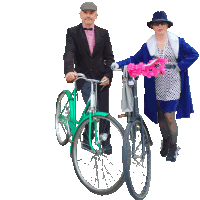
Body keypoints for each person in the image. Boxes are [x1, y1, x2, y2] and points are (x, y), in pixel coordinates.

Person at [112, 11, 199, 162]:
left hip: (173, 83)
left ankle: (173, 146)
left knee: (169, 115)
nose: (160, 26)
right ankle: (165, 142)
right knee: (161, 117)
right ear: (152, 26)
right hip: (156, 85)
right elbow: (134, 58)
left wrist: (179, 66)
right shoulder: (148, 45)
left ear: (167, 25)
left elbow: (193, 54)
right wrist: (118, 64)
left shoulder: (177, 41)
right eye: (156, 24)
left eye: (162, 23)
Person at [63, 2, 114, 154]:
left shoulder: (104, 33)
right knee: (91, 107)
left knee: (104, 109)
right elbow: (69, 53)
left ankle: (105, 142)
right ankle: (87, 139)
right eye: (85, 12)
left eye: (91, 12)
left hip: (101, 77)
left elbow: (110, 58)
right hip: (82, 76)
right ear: (81, 14)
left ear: (96, 15)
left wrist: (108, 75)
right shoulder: (72, 32)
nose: (88, 15)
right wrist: (69, 71)